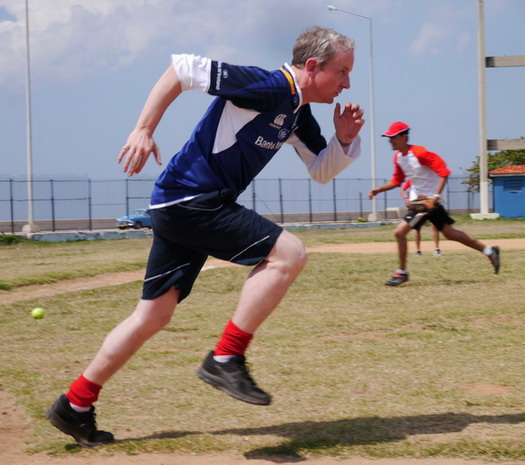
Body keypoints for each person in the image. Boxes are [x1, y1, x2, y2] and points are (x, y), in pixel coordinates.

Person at [45, 27, 365, 447]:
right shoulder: (269, 85)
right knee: (289, 254)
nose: (347, 83)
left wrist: (343, 139)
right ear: (312, 66)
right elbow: (181, 69)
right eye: (342, 72)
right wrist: (143, 129)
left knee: (153, 316)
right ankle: (226, 356)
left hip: (182, 206)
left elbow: (322, 170)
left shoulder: (297, 114)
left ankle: (75, 404)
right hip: (192, 200)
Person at [368, 121, 500, 286]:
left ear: (404, 137)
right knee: (450, 233)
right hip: (423, 202)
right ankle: (489, 251)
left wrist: (435, 197)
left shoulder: (419, 152)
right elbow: (397, 180)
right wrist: (378, 190)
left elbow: (443, 172)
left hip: (428, 202)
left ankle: (401, 273)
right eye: (389, 137)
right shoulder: (398, 157)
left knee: (399, 232)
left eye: (393, 137)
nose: (390, 141)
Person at [401, 180, 441, 256]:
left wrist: (435, 199)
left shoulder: (426, 179)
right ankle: (418, 251)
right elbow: (403, 189)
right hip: (417, 206)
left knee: (435, 226)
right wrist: (406, 198)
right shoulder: (412, 180)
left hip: (428, 204)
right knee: (417, 228)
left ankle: (437, 249)